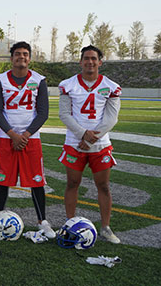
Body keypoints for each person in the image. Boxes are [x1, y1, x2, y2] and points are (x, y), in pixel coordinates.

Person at [58, 45, 122, 244]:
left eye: (94, 58)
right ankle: (69, 224)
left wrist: (92, 137)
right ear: (80, 61)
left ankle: (105, 227)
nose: (90, 62)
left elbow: (112, 118)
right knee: (72, 183)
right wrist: (83, 135)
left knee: (103, 185)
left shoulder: (111, 86)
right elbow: (64, 114)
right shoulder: (68, 85)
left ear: (100, 62)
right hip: (75, 143)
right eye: (86, 58)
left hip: (100, 144)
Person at [0, 41, 55, 238]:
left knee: (36, 181)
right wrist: (13, 135)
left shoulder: (39, 80)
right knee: (3, 180)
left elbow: (43, 112)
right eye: (18, 54)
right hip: (7, 138)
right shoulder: (1, 80)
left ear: (29, 58)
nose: (22, 57)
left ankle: (42, 221)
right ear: (11, 58)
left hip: (31, 139)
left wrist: (24, 136)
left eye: (25, 54)